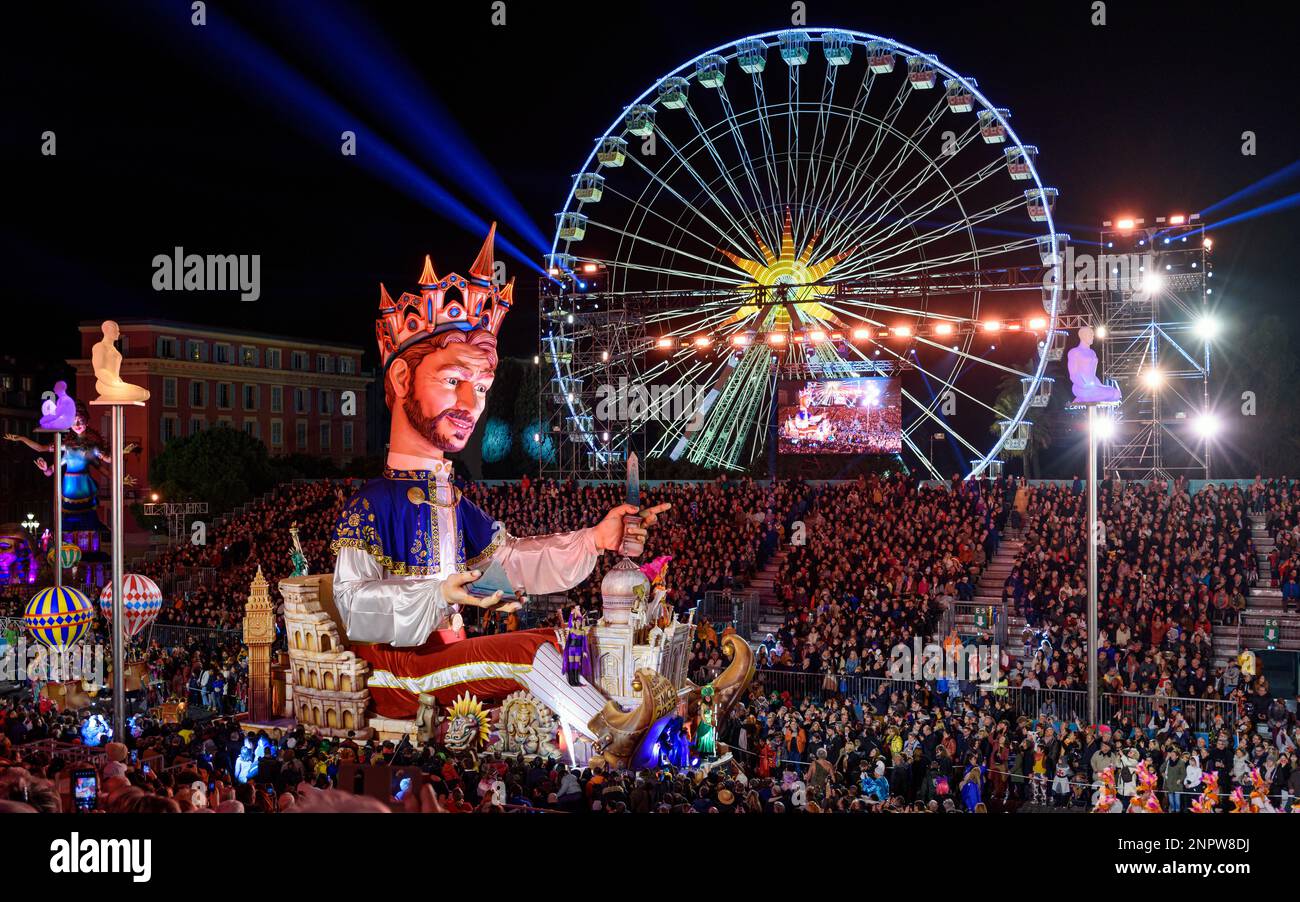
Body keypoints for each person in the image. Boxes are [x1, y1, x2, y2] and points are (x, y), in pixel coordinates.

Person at [329, 226, 673, 765]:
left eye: (484, 386)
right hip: (399, 669)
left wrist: (595, 539)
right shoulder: (372, 504)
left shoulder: (452, 498)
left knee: (553, 639)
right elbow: (353, 608)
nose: (472, 402)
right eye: (452, 380)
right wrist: (439, 594)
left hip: (448, 658)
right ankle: (616, 736)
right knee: (529, 649)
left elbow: (507, 565)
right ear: (399, 378)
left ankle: (593, 746)